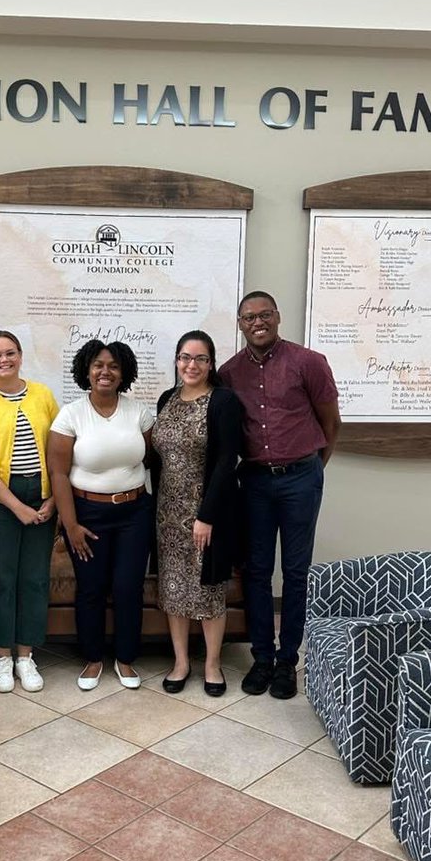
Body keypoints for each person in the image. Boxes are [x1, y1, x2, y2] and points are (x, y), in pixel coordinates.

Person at [218, 291, 340, 700]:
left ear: (278, 317)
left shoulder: (308, 362)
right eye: (249, 317)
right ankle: (262, 657)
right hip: (253, 481)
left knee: (296, 571)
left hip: (300, 479)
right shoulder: (229, 372)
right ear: (240, 324)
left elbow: (331, 422)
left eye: (265, 314)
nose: (258, 322)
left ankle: (288, 660)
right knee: (256, 570)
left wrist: (311, 469)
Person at [47, 340, 154, 691]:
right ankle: (93, 659)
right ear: (86, 370)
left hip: (134, 512)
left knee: (127, 587)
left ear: (124, 373)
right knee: (91, 588)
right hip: (87, 513)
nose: (105, 371)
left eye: (113, 366)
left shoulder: (139, 413)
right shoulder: (71, 414)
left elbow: (153, 461)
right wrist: (71, 524)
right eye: (97, 365)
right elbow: (59, 473)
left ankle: (125, 658)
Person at [0, 330, 59, 693]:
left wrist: (52, 501)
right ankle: (3, 657)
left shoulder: (43, 395)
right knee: (3, 580)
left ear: (20, 356)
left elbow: (59, 450)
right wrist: (18, 507)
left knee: (34, 579)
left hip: (43, 497)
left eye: (10, 353)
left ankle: (25, 656)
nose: (4, 360)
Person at [151, 330, 243, 697]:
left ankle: (212, 664)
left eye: (200, 359)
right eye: (185, 357)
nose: (192, 365)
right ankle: (181, 662)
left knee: (208, 590)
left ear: (211, 364)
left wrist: (206, 516)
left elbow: (226, 461)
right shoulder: (166, 400)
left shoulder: (223, 401)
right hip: (166, 514)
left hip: (207, 514)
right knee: (173, 589)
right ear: (176, 360)